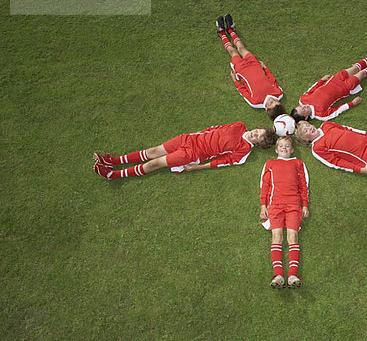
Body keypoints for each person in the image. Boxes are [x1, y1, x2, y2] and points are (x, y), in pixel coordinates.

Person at [93, 122, 276, 180]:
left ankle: (112, 174)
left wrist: (196, 167)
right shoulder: (240, 125)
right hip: (188, 139)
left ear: (258, 144)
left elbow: (220, 162)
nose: (254, 134)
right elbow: (214, 128)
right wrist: (193, 135)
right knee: (152, 151)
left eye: (257, 138)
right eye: (258, 131)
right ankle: (112, 161)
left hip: (192, 154)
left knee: (155, 163)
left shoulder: (243, 152)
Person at [259, 137, 309, 289]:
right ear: (276, 150)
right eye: (281, 146)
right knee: (277, 236)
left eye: (287, 146)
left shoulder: (298, 163)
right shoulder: (270, 164)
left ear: (292, 149)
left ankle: (293, 274)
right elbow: (265, 185)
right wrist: (263, 206)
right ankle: (278, 274)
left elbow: (304, 185)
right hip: (275, 205)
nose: (284, 148)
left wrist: (305, 205)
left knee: (292, 236)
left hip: (294, 205)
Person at [290, 45, 367, 122]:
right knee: (361, 74)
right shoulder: (321, 115)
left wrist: (321, 80)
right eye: (303, 110)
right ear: (306, 117)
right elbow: (338, 110)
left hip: (334, 80)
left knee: (354, 69)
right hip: (344, 88)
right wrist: (352, 103)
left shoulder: (303, 99)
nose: (303, 106)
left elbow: (312, 89)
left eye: (300, 107)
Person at [217, 14, 286, 120]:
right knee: (241, 47)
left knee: (233, 51)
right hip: (255, 65)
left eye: (271, 102)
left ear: (266, 109)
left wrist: (235, 80)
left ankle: (221, 32)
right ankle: (230, 30)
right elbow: (272, 80)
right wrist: (265, 68)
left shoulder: (255, 102)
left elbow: (243, 91)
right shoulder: (279, 93)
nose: (274, 99)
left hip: (241, 70)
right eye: (276, 101)